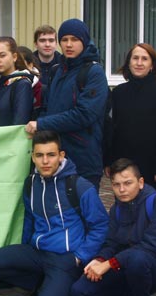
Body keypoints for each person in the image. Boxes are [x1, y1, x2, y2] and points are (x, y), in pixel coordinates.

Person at [0, 130, 108, 296]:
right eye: (39, 155)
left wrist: (79, 257)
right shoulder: (31, 183)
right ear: (33, 157)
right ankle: (44, 282)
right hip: (37, 253)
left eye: (51, 155)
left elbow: (100, 225)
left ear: (61, 156)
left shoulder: (79, 186)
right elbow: (30, 219)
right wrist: (24, 247)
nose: (45, 161)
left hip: (66, 258)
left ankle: (62, 287)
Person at [70, 159, 156, 296]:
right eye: (116, 185)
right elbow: (111, 243)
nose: (122, 189)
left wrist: (109, 264)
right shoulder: (116, 209)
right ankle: (135, 290)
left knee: (138, 259)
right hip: (125, 264)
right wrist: (100, 260)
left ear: (140, 182)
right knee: (80, 292)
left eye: (128, 183)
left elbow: (152, 247)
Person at [25, 19, 108, 188]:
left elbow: (85, 114)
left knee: (83, 203)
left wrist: (42, 124)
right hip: (56, 157)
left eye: (74, 39)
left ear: (84, 41)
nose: (69, 44)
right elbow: (47, 107)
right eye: (64, 39)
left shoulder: (94, 72)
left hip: (83, 159)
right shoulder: (57, 70)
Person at [105, 43, 156, 202]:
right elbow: (112, 130)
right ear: (128, 62)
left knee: (150, 209)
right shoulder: (118, 93)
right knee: (125, 208)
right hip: (124, 165)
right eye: (135, 58)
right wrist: (109, 161)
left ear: (152, 65)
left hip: (152, 167)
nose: (139, 63)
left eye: (144, 59)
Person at [0, 37, 34, 127]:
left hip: (9, 136)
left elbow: (19, 123)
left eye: (2, 55)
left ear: (14, 57)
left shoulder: (22, 84)